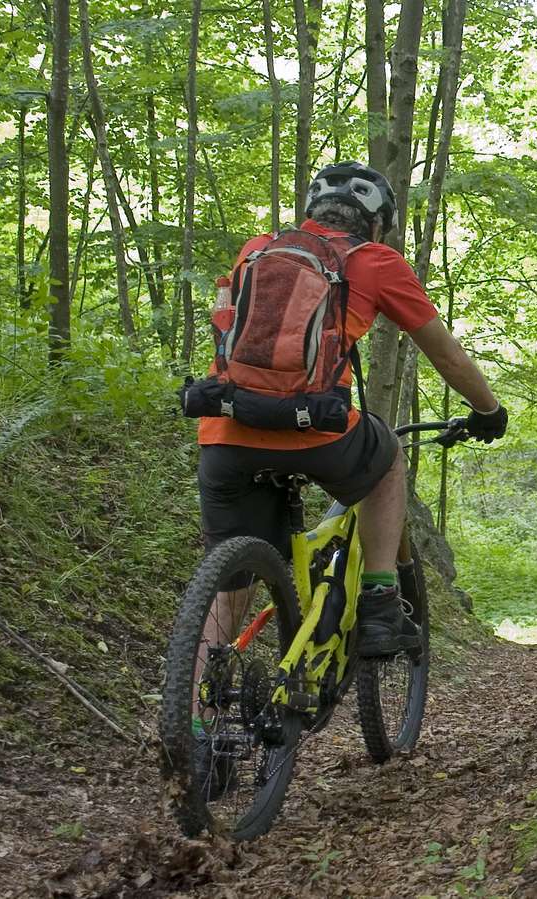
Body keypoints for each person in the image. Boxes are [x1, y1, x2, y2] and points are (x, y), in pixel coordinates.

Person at [197, 161, 505, 657]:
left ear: (312, 210)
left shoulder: (256, 251)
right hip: (316, 431)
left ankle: (191, 716)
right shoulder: (376, 261)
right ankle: (381, 602)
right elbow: (444, 352)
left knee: (229, 589)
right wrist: (487, 409)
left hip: (226, 428)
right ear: (376, 222)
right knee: (386, 461)